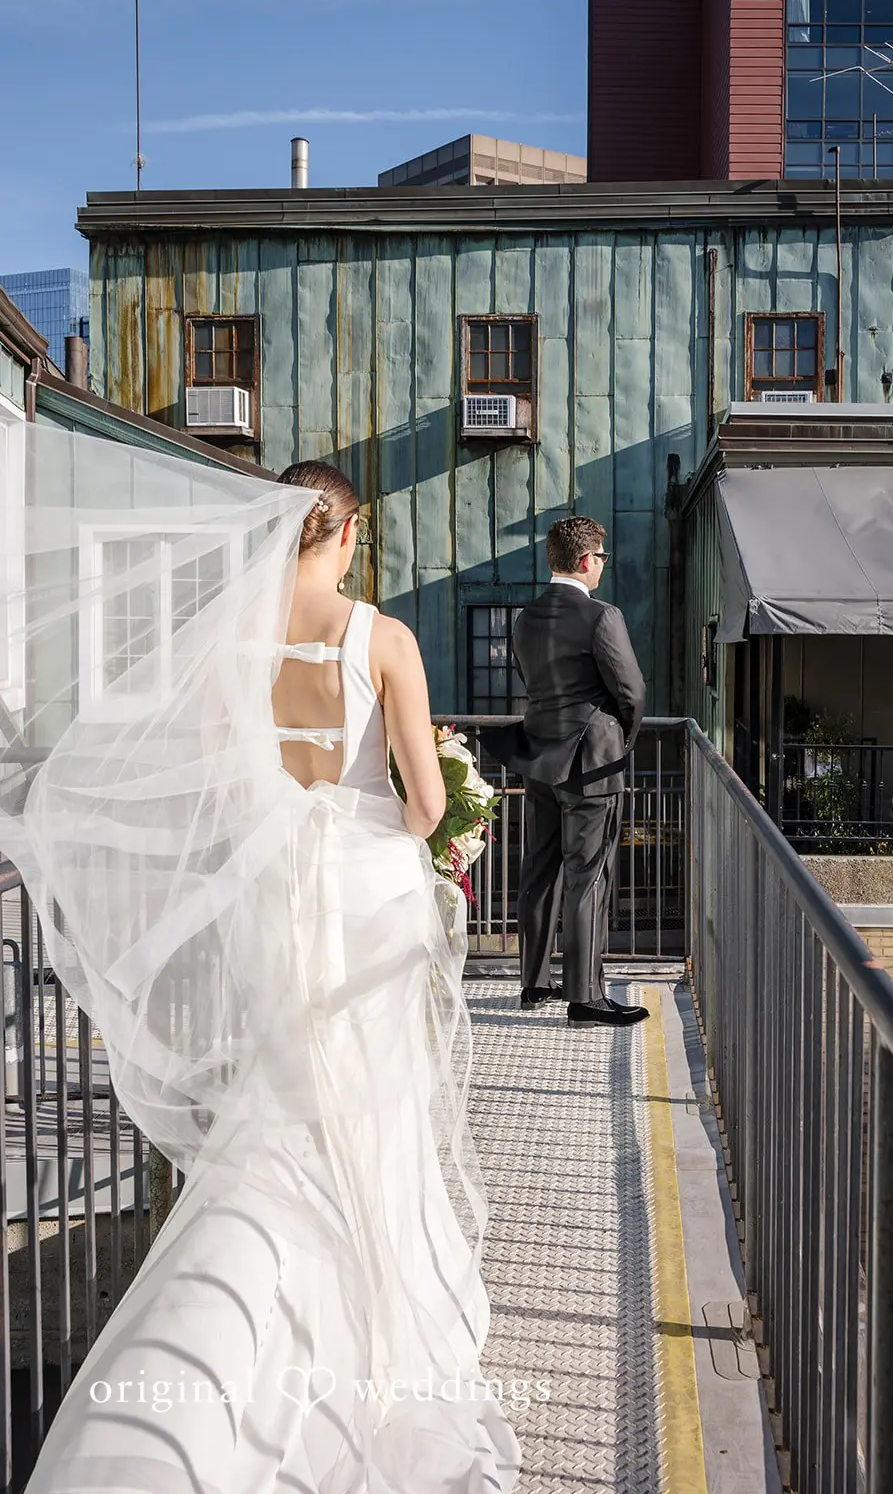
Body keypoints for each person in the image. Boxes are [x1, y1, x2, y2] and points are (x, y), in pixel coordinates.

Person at [1, 435, 519, 1493]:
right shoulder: (381, 637)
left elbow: (219, 789)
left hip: (277, 899)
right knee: (376, 1108)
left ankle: (255, 1323)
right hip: (367, 894)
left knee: (285, 1101)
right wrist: (447, 821)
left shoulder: (228, 646)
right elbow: (422, 803)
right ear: (348, 536)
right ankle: (377, 1323)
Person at [489, 516, 649, 1029]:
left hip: (538, 755)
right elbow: (632, 693)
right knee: (589, 875)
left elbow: (531, 680)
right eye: (600, 557)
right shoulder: (603, 616)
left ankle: (534, 984)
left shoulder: (525, 619)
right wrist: (621, 739)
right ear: (586, 561)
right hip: (592, 764)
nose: (602, 565)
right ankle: (585, 997)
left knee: (539, 869)